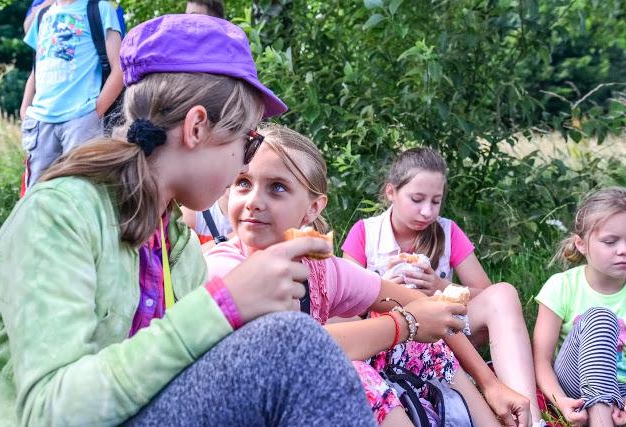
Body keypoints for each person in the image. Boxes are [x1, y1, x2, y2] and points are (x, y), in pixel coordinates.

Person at [0, 15, 376, 426]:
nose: (245, 163)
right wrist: (222, 305)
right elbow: (51, 410)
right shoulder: (60, 214)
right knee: (295, 343)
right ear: (196, 127)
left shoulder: (179, 245)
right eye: (248, 143)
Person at [204, 124, 531, 426]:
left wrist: (490, 383)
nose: (253, 201)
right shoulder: (225, 267)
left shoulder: (321, 268)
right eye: (243, 183)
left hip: (301, 398)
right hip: (242, 410)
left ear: (313, 208)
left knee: (421, 346)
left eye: (276, 188)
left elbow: (424, 307)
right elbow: (299, 349)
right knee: (354, 375)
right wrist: (405, 323)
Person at [341, 147, 544, 426]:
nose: (427, 211)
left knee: (504, 293)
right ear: (391, 192)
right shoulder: (366, 232)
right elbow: (345, 308)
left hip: (447, 334)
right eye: (417, 199)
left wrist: (440, 286)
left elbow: (486, 294)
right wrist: (385, 292)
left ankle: (530, 418)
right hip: (388, 336)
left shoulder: (447, 231)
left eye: (435, 201)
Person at [533, 187, 626, 427]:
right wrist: (561, 401)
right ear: (581, 244)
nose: (623, 250)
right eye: (610, 241)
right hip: (576, 387)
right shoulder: (562, 286)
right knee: (600, 318)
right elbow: (541, 360)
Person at [19, 0, 124, 188]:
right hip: (40, 121)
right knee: (38, 195)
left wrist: (95, 113)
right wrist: (25, 110)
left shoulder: (100, 9)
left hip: (81, 119)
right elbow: (36, 69)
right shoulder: (42, 15)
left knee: (80, 190)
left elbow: (120, 68)